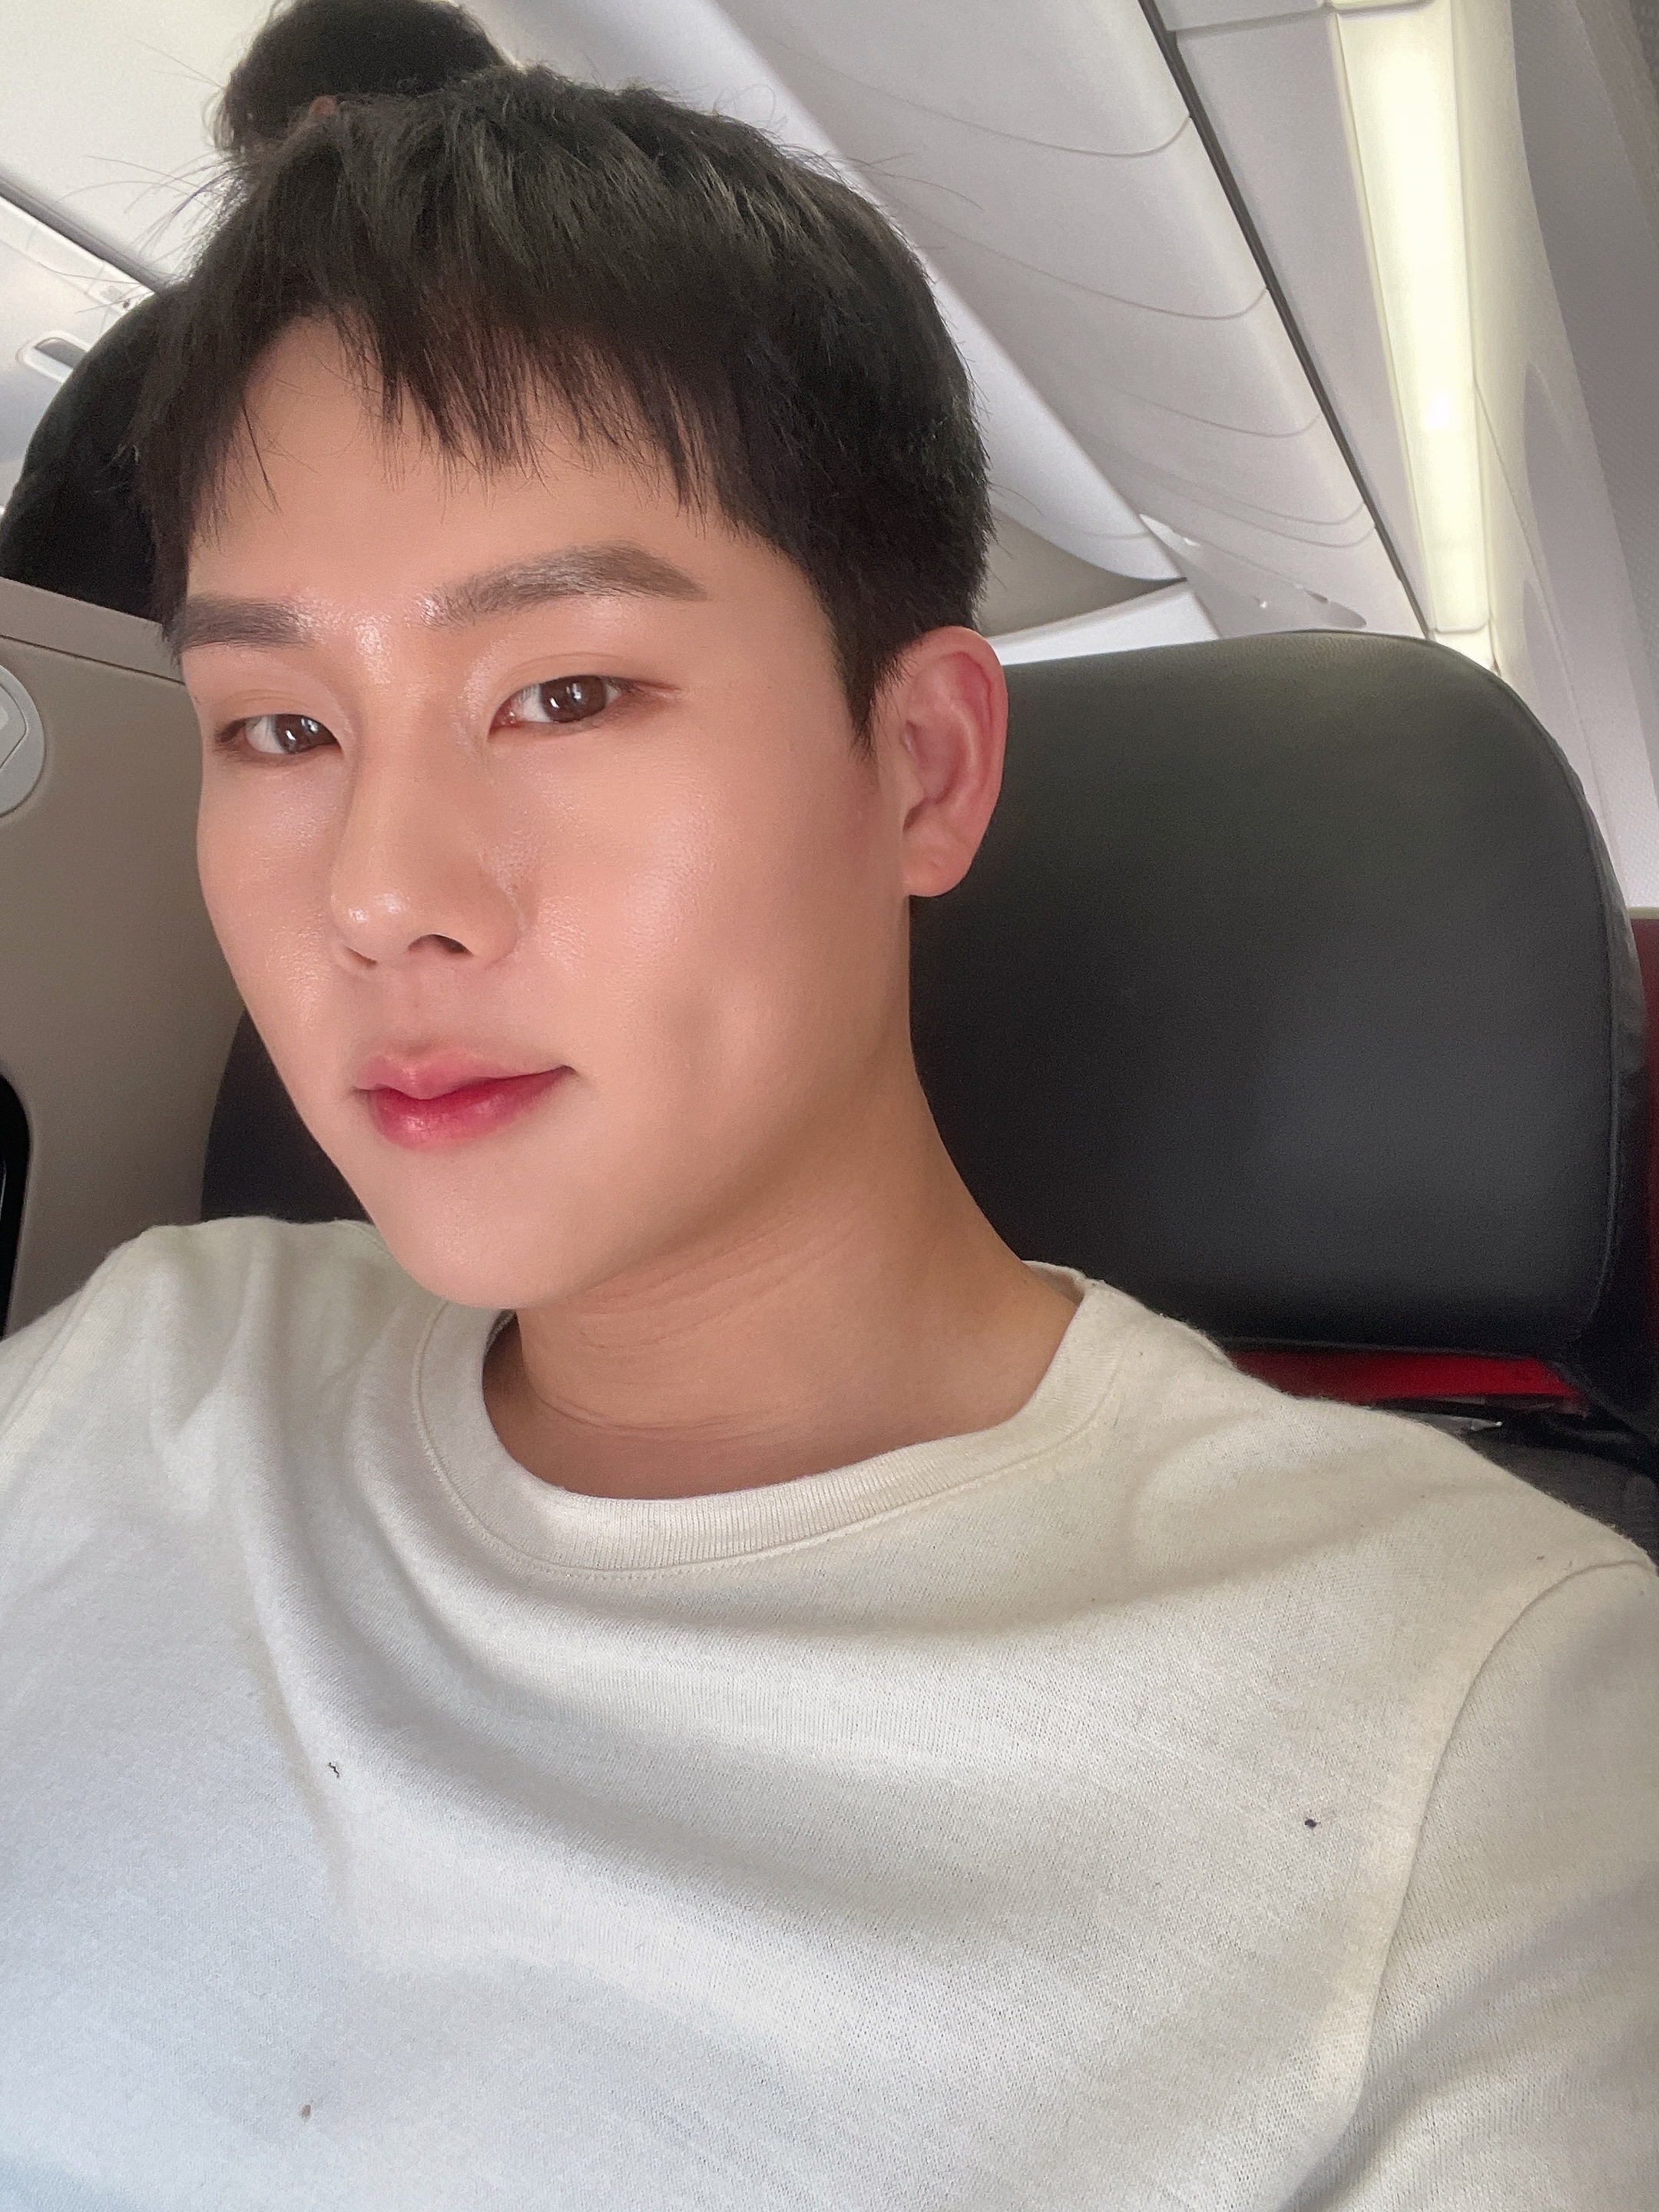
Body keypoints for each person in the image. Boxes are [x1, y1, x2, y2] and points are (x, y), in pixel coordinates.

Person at [0, 64, 1654, 2205]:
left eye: (565, 692)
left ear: (922, 769)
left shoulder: (1477, 1737)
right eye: (282, 726)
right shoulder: (145, 1368)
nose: (380, 892)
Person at [0, 0, 502, 619]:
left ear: (322, 131)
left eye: (248, 165)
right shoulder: (525, 358)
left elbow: (34, 623)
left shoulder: (175, 346)